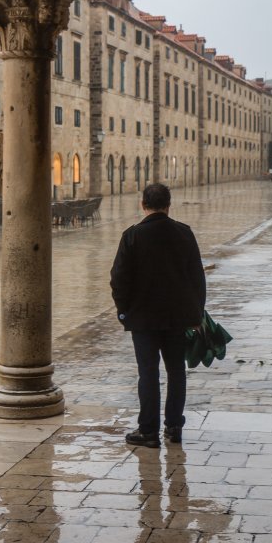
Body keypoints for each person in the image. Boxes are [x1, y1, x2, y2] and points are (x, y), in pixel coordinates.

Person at [110, 183, 206, 447]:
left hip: (143, 319)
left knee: (148, 373)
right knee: (176, 372)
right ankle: (174, 426)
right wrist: (197, 314)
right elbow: (197, 278)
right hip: (178, 318)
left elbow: (118, 279)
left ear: (143, 205)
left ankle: (148, 431)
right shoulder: (184, 233)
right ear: (168, 205)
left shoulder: (132, 236)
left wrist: (123, 311)